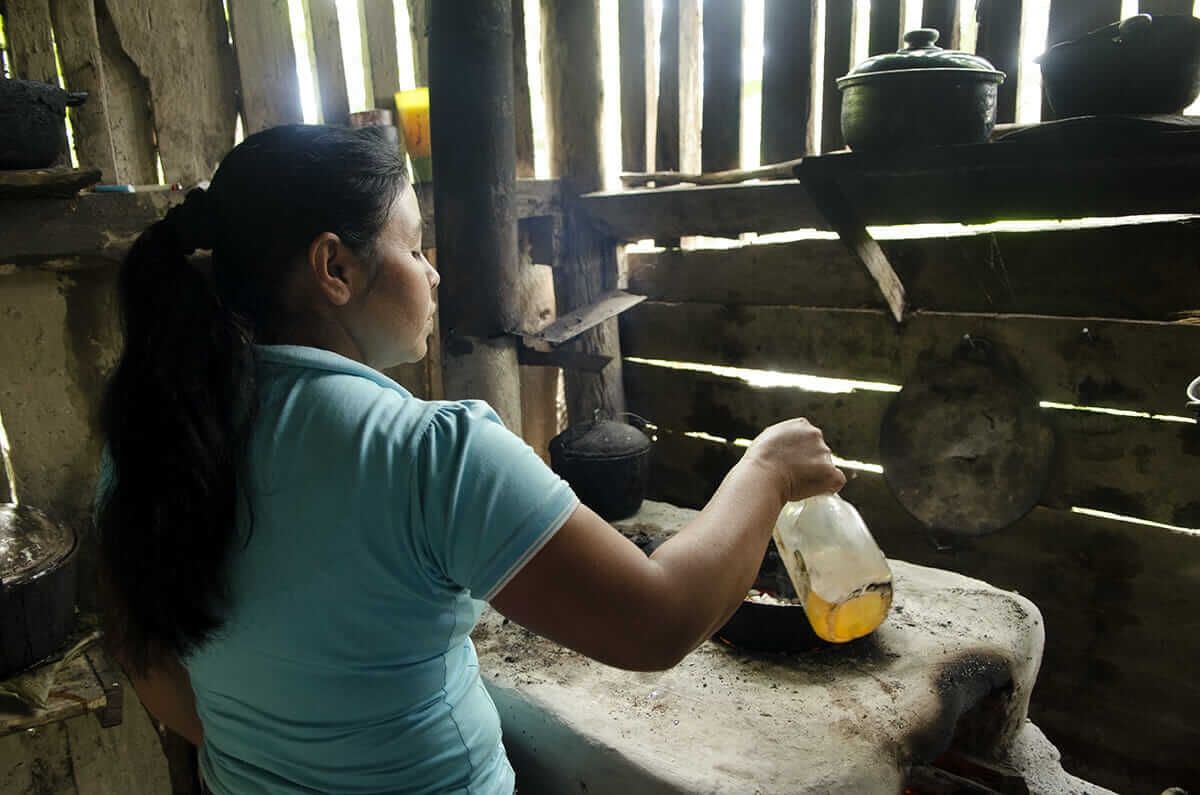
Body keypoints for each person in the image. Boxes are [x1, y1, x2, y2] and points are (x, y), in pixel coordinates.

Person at [94, 124, 846, 794]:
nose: (434, 273)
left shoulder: (152, 442)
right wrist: (768, 470)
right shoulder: (426, 453)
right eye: (414, 247)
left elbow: (153, 665)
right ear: (334, 268)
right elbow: (657, 620)